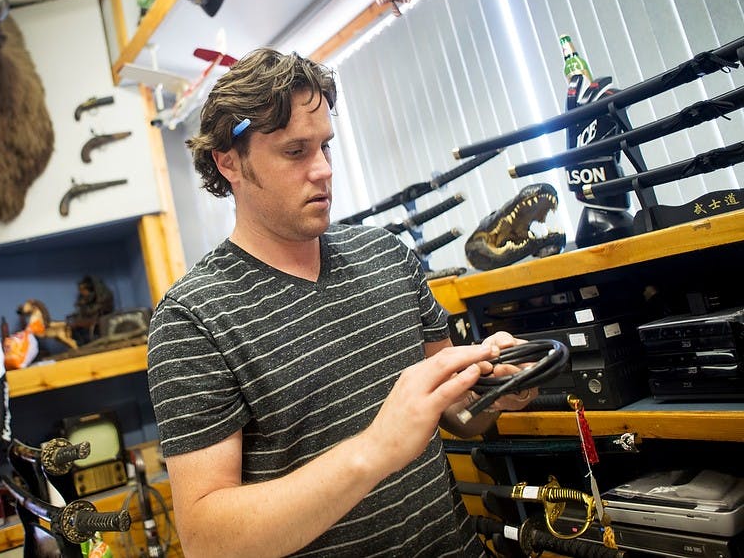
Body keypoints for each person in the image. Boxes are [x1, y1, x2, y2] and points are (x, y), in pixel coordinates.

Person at [146, 48, 536, 557]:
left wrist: (498, 389)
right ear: (229, 162)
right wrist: (374, 450)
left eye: (326, 147)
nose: (323, 170)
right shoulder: (192, 320)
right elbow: (207, 540)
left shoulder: (387, 256)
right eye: (295, 152)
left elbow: (457, 414)